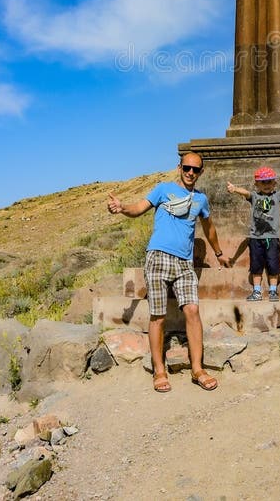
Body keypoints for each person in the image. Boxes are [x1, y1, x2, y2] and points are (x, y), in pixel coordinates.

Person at [108, 152, 231, 393]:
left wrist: (218, 253)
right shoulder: (163, 189)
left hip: (184, 263)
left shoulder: (201, 200)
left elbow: (210, 228)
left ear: (201, 172)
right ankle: (159, 370)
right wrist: (122, 207)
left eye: (196, 170)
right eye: (187, 168)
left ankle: (197, 369)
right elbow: (138, 208)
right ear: (179, 167)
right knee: (158, 315)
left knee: (193, 310)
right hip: (158, 257)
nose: (190, 173)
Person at [226, 166, 280, 302]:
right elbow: (245, 193)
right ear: (256, 184)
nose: (266, 185)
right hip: (256, 238)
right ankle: (257, 291)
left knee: (273, 264)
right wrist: (235, 189)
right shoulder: (254, 196)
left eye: (269, 182)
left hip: (272, 237)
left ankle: (272, 291)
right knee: (256, 265)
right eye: (263, 182)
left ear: (274, 183)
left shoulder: (276, 196)